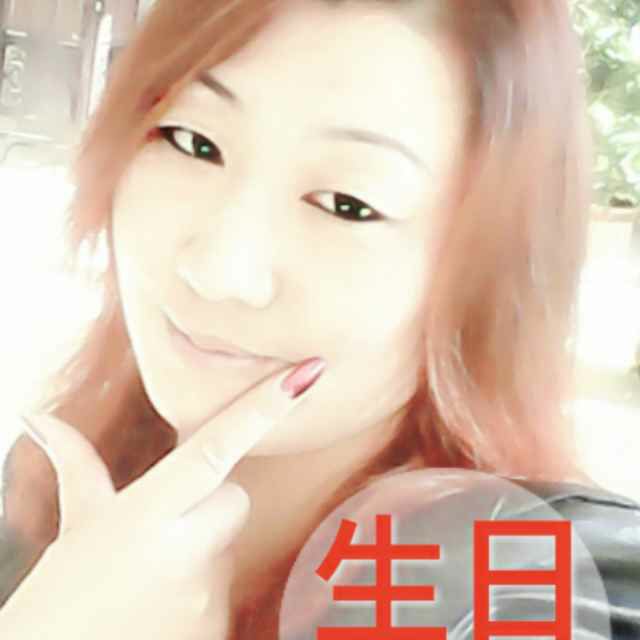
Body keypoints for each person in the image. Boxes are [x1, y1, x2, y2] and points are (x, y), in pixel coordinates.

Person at [0, 0, 638, 638]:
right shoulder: (57, 485)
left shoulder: (526, 581)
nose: (219, 270)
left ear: (491, 269)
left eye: (345, 204)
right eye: (195, 143)